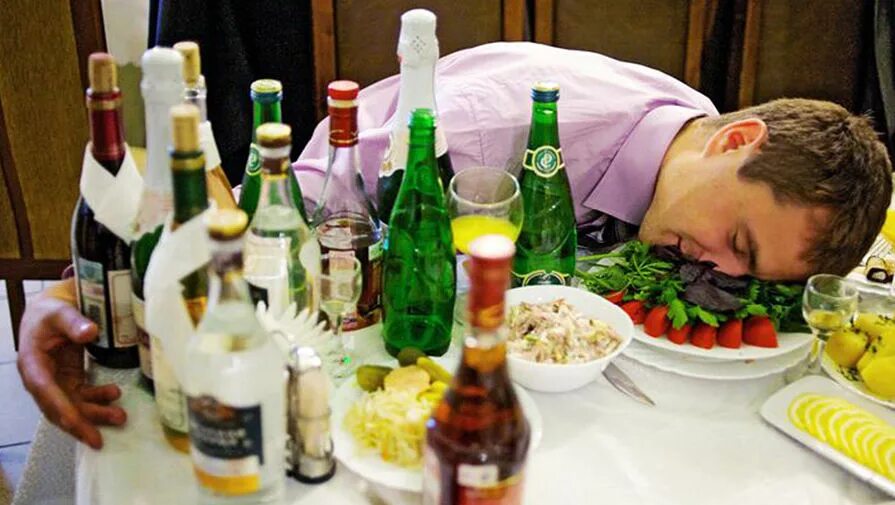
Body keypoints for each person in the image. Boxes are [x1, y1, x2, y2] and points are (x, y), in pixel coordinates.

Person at [17, 42, 893, 447]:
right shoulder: (482, 134)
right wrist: (68, 295)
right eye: (736, 240)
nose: (718, 271)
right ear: (735, 141)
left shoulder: (691, 136)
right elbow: (256, 225)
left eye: (748, 269)